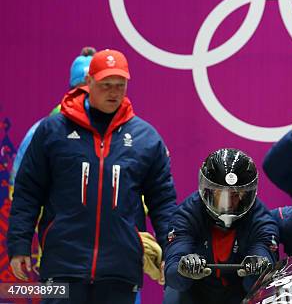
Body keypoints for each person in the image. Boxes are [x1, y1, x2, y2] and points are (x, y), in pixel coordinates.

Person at [8, 49, 177, 304]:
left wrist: (171, 251)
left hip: (120, 271)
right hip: (61, 269)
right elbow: (27, 192)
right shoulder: (52, 131)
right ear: (89, 84)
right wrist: (19, 244)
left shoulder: (146, 139)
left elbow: (163, 202)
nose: (114, 92)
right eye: (106, 84)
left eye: (120, 85)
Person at [164, 148, 278, 304]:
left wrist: (258, 268)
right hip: (195, 293)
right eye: (220, 194)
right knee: (174, 292)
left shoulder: (261, 219)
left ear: (247, 195)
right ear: (207, 192)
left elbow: (264, 260)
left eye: (235, 194)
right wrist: (183, 269)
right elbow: (172, 272)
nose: (228, 203)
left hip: (239, 294)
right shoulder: (186, 215)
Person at [10, 46, 96, 196]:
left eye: (92, 89)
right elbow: (19, 185)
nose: (86, 96)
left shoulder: (115, 132)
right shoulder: (43, 130)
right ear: (71, 90)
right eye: (81, 89)